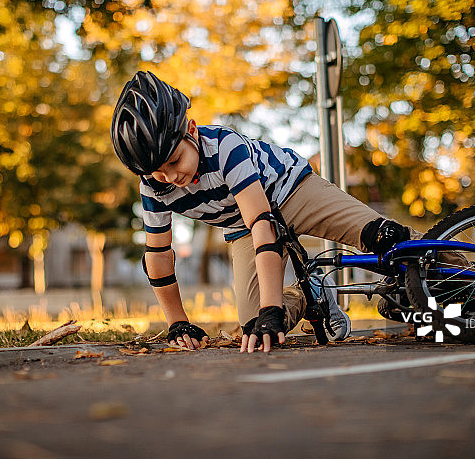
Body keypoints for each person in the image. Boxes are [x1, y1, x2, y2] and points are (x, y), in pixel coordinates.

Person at [111, 71, 418, 353]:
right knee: (255, 327)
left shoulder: (225, 149)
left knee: (382, 236)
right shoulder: (154, 187)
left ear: (192, 131)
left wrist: (271, 305)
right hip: (244, 225)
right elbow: (158, 256)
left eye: (175, 161)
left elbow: (262, 221)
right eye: (156, 172)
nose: (170, 178)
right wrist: (178, 321)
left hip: (292, 192)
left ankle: (459, 274)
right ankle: (310, 293)